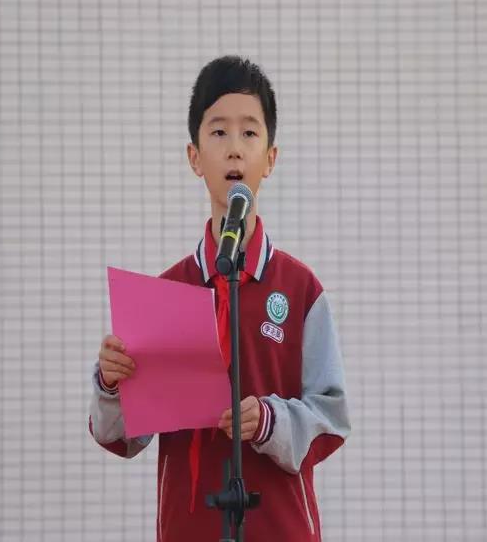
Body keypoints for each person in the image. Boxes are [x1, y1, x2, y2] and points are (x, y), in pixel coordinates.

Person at [88, 55, 350, 542]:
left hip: (281, 528)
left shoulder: (301, 290)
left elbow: (332, 419)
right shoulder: (166, 292)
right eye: (218, 132)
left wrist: (270, 421)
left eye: (249, 133)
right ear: (195, 157)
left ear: (270, 158)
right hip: (189, 527)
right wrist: (110, 383)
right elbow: (121, 437)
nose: (234, 149)